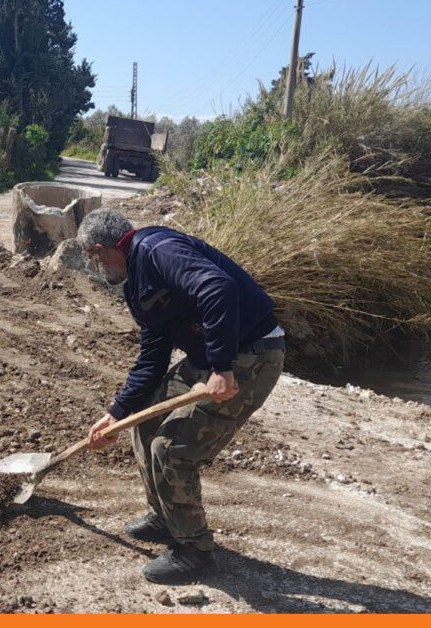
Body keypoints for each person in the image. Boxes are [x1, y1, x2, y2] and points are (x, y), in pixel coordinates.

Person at [75, 208, 286, 584]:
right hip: (211, 360)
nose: (95, 267)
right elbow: (152, 356)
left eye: (93, 258)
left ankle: (193, 550)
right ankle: (166, 516)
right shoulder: (136, 285)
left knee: (171, 449)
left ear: (101, 249)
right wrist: (117, 413)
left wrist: (222, 367)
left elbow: (218, 288)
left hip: (252, 354)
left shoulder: (156, 250)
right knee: (142, 424)